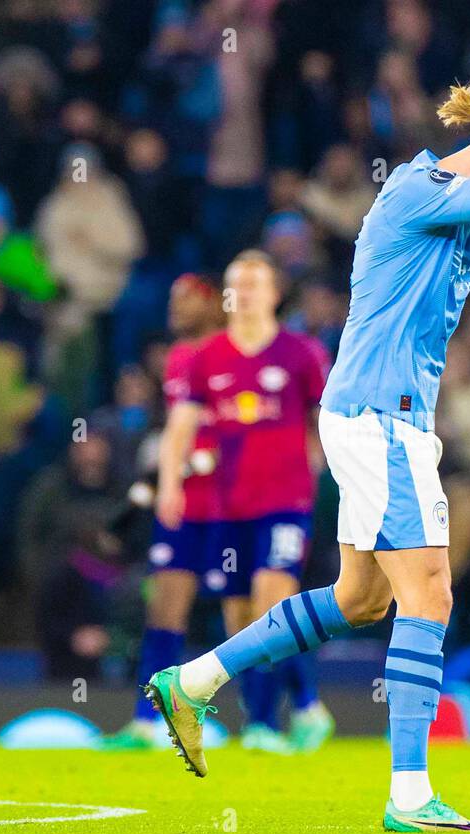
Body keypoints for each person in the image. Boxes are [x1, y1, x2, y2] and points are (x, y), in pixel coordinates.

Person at [147, 35, 470, 833]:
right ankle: (408, 794)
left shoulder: (468, 213)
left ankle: (195, 680)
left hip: (383, 419)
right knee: (430, 590)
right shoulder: (416, 193)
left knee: (362, 598)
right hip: (378, 418)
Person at [157, 251, 335, 755]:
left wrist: (327, 463)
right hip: (226, 506)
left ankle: (262, 725)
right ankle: (305, 702)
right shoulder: (207, 357)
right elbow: (180, 428)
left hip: (285, 502)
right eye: (238, 283)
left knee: (271, 603)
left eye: (257, 282)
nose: (247, 292)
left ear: (275, 293)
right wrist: (171, 482)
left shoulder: (301, 353)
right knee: (239, 620)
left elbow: (325, 417)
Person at [102, 274, 223, 750]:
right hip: (186, 503)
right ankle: (146, 721)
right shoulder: (177, 359)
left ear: (213, 303)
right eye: (171, 297)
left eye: (185, 298)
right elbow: (179, 433)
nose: (174, 306)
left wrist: (195, 461)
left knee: (251, 610)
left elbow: (229, 430)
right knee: (164, 609)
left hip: (235, 501)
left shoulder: (233, 353)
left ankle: (280, 716)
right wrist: (161, 479)